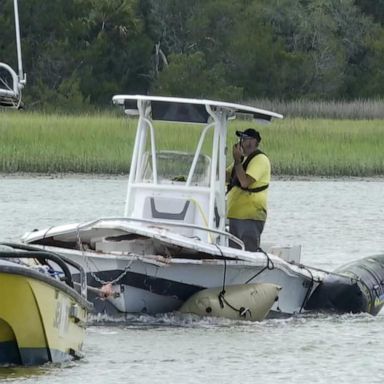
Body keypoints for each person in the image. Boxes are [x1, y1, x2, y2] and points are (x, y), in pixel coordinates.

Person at [226, 128, 270, 251]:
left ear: (252, 142)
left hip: (250, 216)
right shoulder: (243, 161)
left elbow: (245, 182)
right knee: (233, 252)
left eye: (243, 139)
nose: (240, 143)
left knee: (248, 251)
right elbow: (227, 175)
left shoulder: (260, 160)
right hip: (235, 215)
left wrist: (237, 160)